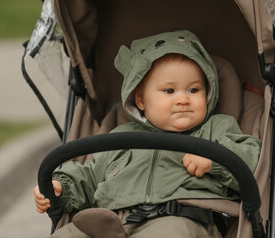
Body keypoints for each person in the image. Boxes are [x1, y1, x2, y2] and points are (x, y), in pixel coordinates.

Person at [34, 30, 261, 238]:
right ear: (141, 100)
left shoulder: (216, 128)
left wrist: (215, 159)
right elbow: (92, 175)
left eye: (194, 90)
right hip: (113, 220)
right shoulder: (121, 136)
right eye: (169, 91)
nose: (183, 99)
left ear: (208, 92)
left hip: (180, 218)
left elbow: (253, 159)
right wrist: (63, 186)